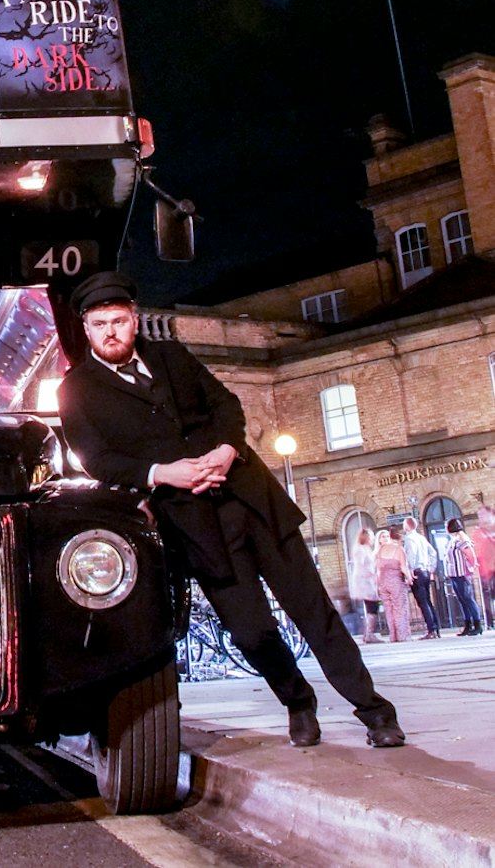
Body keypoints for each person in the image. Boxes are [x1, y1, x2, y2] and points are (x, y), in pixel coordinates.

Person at [56, 271, 405, 748]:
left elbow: (227, 405)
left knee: (315, 613)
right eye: (99, 325)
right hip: (194, 525)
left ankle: (375, 712)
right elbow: (97, 459)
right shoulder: (77, 389)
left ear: (134, 320)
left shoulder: (172, 356)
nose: (110, 332)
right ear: (86, 329)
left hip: (252, 500)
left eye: (118, 321)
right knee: (251, 632)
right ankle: (298, 701)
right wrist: (163, 473)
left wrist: (226, 449)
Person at [443, 518, 484, 635]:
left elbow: (470, 554)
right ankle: (468, 625)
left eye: (446, 526)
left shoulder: (461, 539)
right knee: (462, 600)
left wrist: (471, 567)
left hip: (461, 574)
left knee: (468, 599)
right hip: (454, 574)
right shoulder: (453, 539)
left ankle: (477, 625)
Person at [402, 516, 441, 638]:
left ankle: (431, 630)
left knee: (422, 603)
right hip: (425, 572)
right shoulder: (421, 537)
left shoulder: (409, 539)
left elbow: (411, 554)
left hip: (416, 572)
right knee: (428, 601)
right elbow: (433, 552)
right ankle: (436, 629)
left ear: (407, 526)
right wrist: (431, 568)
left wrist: (410, 569)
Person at [375, 526, 413, 642]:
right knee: (399, 608)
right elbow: (403, 567)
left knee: (389, 609)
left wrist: (378, 585)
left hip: (383, 583)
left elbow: (378, 570)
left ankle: (393, 636)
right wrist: (410, 578)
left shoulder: (379, 551)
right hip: (396, 582)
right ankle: (402, 636)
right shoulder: (398, 549)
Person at [347, 528, 383, 644]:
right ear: (366, 537)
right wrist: (370, 574)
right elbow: (360, 566)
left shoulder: (365, 549)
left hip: (368, 581)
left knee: (371, 607)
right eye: (371, 536)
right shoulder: (360, 549)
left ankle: (368, 633)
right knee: (372, 606)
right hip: (364, 582)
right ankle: (369, 634)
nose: (372, 539)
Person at [472, 506, 495, 623]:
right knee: (487, 596)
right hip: (486, 571)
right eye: (479, 515)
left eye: (483, 514)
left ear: (491, 514)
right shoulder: (478, 532)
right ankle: (490, 621)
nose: (481, 517)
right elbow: (477, 551)